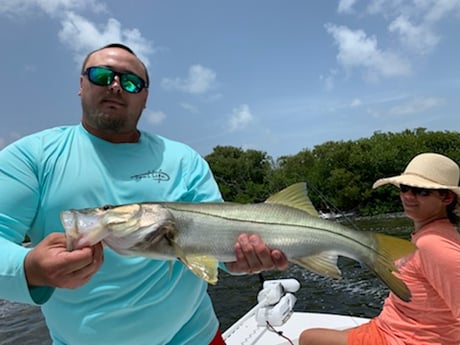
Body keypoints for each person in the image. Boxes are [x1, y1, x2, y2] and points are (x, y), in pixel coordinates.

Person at [0, 43, 289, 345]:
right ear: (81, 84)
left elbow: (214, 245)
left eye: (130, 82)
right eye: (101, 75)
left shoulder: (183, 159)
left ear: (145, 97)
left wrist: (237, 260)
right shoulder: (31, 157)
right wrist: (30, 268)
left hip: (197, 336)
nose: (115, 86)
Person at [299, 152, 460, 345]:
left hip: (404, 339)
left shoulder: (433, 245)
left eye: (421, 191)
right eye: (405, 187)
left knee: (308, 338)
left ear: (447, 198)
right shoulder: (434, 234)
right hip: (391, 326)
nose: (408, 196)